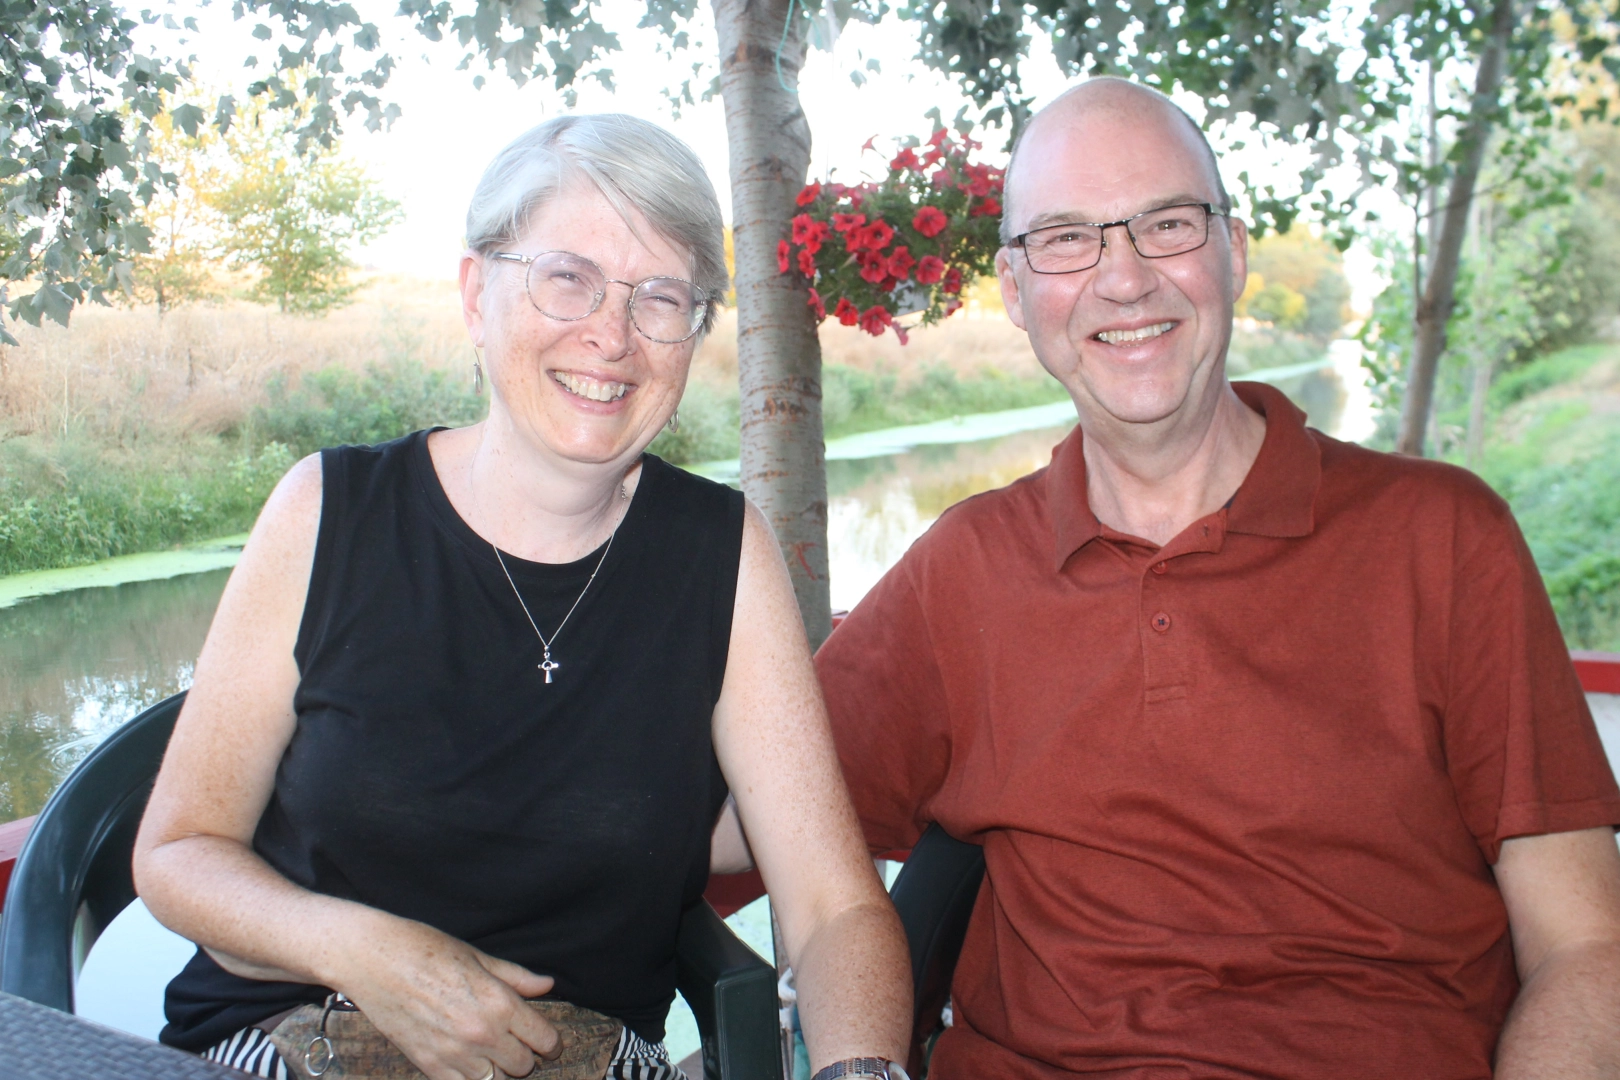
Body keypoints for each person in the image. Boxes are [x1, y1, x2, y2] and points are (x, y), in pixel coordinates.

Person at [808, 78, 1620, 1078]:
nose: (1124, 279)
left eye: (1167, 224)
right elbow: (742, 809)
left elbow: (1587, 948)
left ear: (1232, 254)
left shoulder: (1445, 538)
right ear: (1015, 292)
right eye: (1066, 238)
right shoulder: (963, 569)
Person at [133, 113, 911, 1080]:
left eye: (662, 298)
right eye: (567, 277)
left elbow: (834, 908)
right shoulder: (327, 510)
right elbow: (179, 851)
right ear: (476, 293)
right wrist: (370, 953)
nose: (612, 336)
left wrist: (861, 1071)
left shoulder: (722, 553)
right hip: (299, 1028)